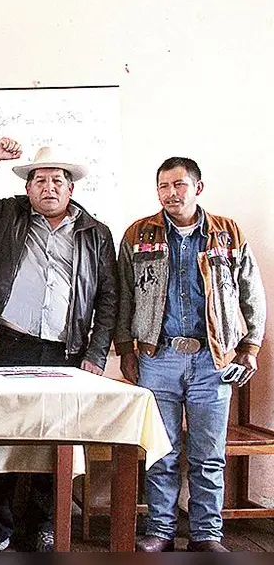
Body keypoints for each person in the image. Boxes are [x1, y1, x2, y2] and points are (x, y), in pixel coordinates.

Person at [0, 138, 118, 552]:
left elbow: (109, 299)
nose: (48, 187)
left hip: (66, 352)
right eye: (39, 180)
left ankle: (45, 523)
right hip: (13, 346)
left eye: (57, 180)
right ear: (27, 188)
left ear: (70, 188)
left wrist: (96, 355)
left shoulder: (95, 233)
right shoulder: (10, 215)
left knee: (54, 440)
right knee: (3, 437)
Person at [115, 157, 266, 553]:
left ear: (197, 188)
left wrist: (250, 346)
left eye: (179, 185)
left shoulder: (227, 233)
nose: (171, 193)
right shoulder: (138, 234)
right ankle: (160, 531)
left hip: (213, 360)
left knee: (208, 455)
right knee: (160, 452)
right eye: (163, 186)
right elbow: (124, 295)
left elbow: (251, 292)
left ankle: (206, 535)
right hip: (157, 356)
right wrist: (126, 349)